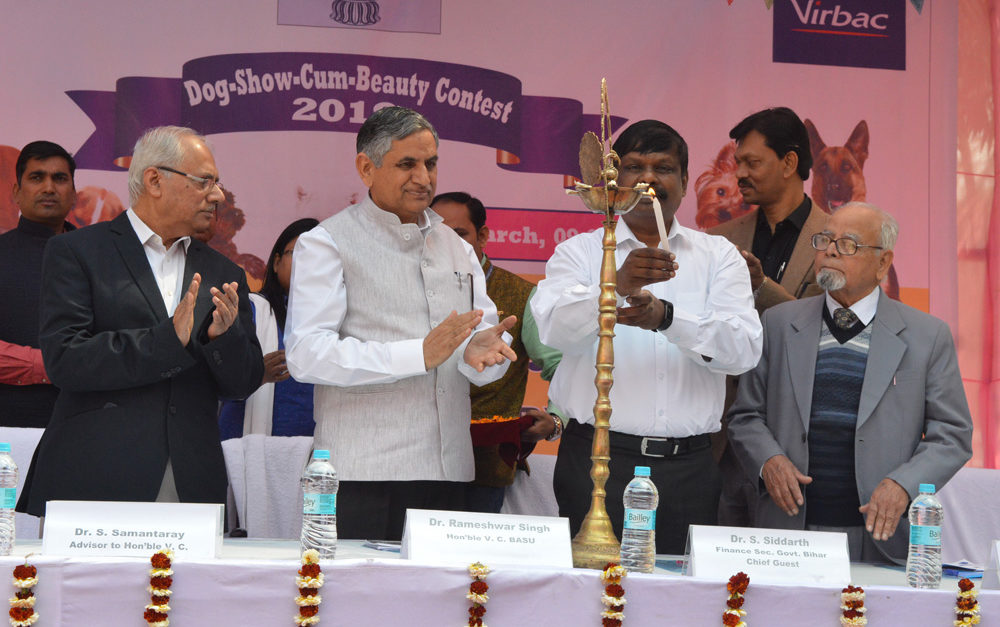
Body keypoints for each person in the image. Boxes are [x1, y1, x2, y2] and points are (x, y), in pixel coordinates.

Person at [285, 106, 517, 541]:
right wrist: (417, 354)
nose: (423, 178)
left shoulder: (457, 247)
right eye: (407, 164)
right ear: (366, 168)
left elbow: (480, 349)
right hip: (363, 471)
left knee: (442, 588)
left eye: (431, 163)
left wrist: (482, 356)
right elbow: (306, 355)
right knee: (356, 588)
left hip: (448, 469)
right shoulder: (327, 242)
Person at [531, 119, 762, 554]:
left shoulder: (718, 256)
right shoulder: (580, 252)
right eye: (635, 167)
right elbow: (554, 330)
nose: (649, 179)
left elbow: (744, 350)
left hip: (689, 467)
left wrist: (668, 318)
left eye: (664, 168)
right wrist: (615, 285)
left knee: (679, 592)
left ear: (686, 181)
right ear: (615, 180)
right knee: (590, 589)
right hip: (596, 460)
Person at [17, 126, 263, 517]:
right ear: (154, 181)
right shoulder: (77, 251)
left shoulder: (224, 272)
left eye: (217, 184)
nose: (217, 195)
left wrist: (222, 340)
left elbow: (243, 384)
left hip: (189, 480)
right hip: (93, 475)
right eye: (205, 182)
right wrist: (167, 341)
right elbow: (65, 359)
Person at [727, 202, 973, 563]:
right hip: (786, 533)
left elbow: (951, 435)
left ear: (883, 263)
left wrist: (903, 485)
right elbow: (745, 415)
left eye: (848, 244)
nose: (830, 250)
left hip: (880, 535)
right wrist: (769, 461)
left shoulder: (927, 335)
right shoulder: (777, 324)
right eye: (825, 240)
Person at [708, 107, 830, 526]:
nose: (740, 174)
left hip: (798, 443)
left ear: (790, 162)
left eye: (752, 162)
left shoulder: (838, 242)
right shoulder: (719, 241)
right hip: (719, 440)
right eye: (738, 162)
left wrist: (760, 286)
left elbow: (825, 329)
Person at [431, 191, 562, 513]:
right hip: (419, 456)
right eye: (437, 236)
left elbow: (558, 365)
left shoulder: (520, 294)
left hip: (486, 463)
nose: (449, 245)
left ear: (483, 236)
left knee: (474, 547)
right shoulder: (414, 290)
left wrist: (557, 420)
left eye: (460, 234)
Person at [218, 218, 319, 439]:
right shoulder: (250, 309)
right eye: (299, 251)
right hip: (247, 447)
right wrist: (257, 374)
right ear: (276, 263)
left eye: (319, 256)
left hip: (318, 451)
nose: (308, 262)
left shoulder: (337, 322)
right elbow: (217, 382)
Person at [0, 142, 77, 428]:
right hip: (8, 429)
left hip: (87, 425)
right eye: (36, 177)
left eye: (60, 178)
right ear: (16, 193)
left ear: (74, 194)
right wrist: (46, 365)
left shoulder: (104, 257)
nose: (49, 188)